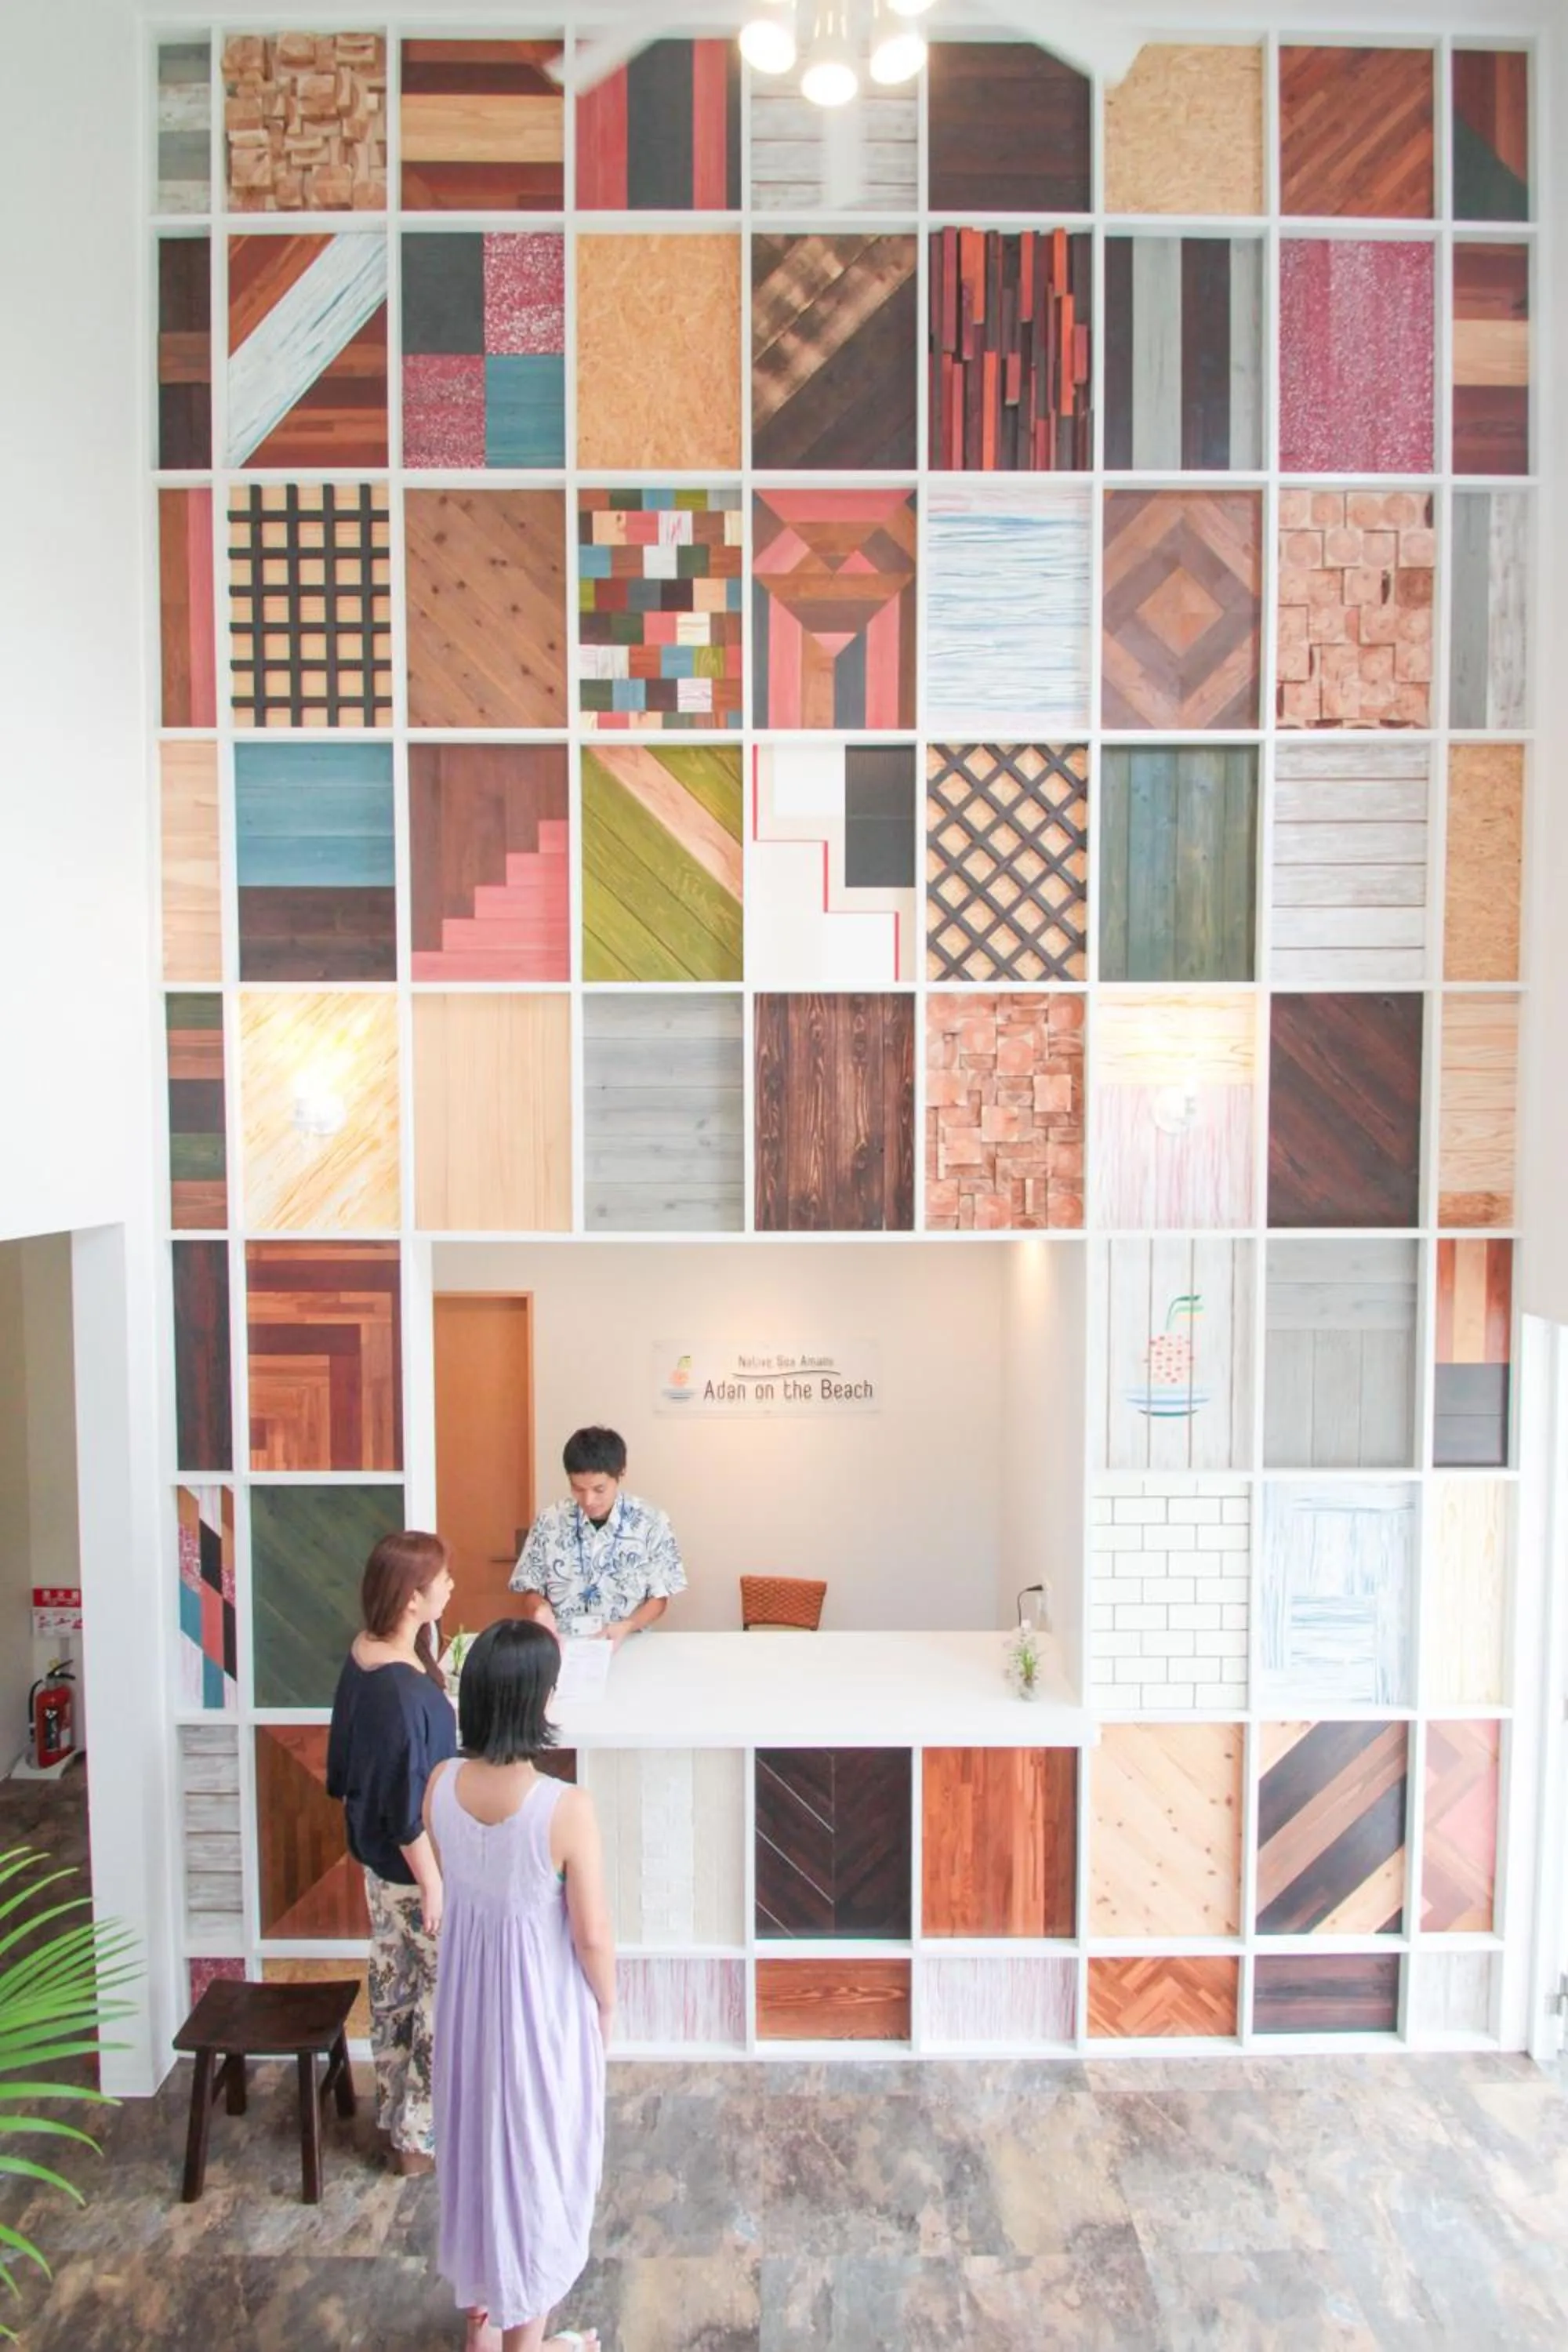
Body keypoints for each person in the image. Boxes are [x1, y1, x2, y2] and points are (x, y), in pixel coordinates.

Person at [426, 1617, 613, 2352]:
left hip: (467, 2009)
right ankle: (523, 2344)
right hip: (536, 2012)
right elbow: (591, 1934)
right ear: (537, 1700)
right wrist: (609, 2001)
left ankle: (483, 2326)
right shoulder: (563, 1808)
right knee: (535, 2165)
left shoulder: (439, 1785)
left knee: (476, 2158)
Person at [325, 1530, 458, 2178]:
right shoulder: (405, 1694)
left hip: (377, 1864)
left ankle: (394, 2122)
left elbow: (347, 1767)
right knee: (441, 2000)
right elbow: (410, 1809)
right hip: (414, 1869)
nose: (451, 1586)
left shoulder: (364, 1656)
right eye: (443, 1580)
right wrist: (433, 1883)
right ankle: (419, 2139)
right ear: (413, 1597)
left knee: (393, 1991)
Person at [510, 1425, 685, 1647]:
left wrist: (628, 1626)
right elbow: (530, 1588)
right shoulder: (549, 1521)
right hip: (563, 1646)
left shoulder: (651, 1522)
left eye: (599, 1489)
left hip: (628, 1643)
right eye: (578, 1489)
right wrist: (540, 1610)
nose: (588, 1500)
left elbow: (660, 1598)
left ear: (620, 1473)